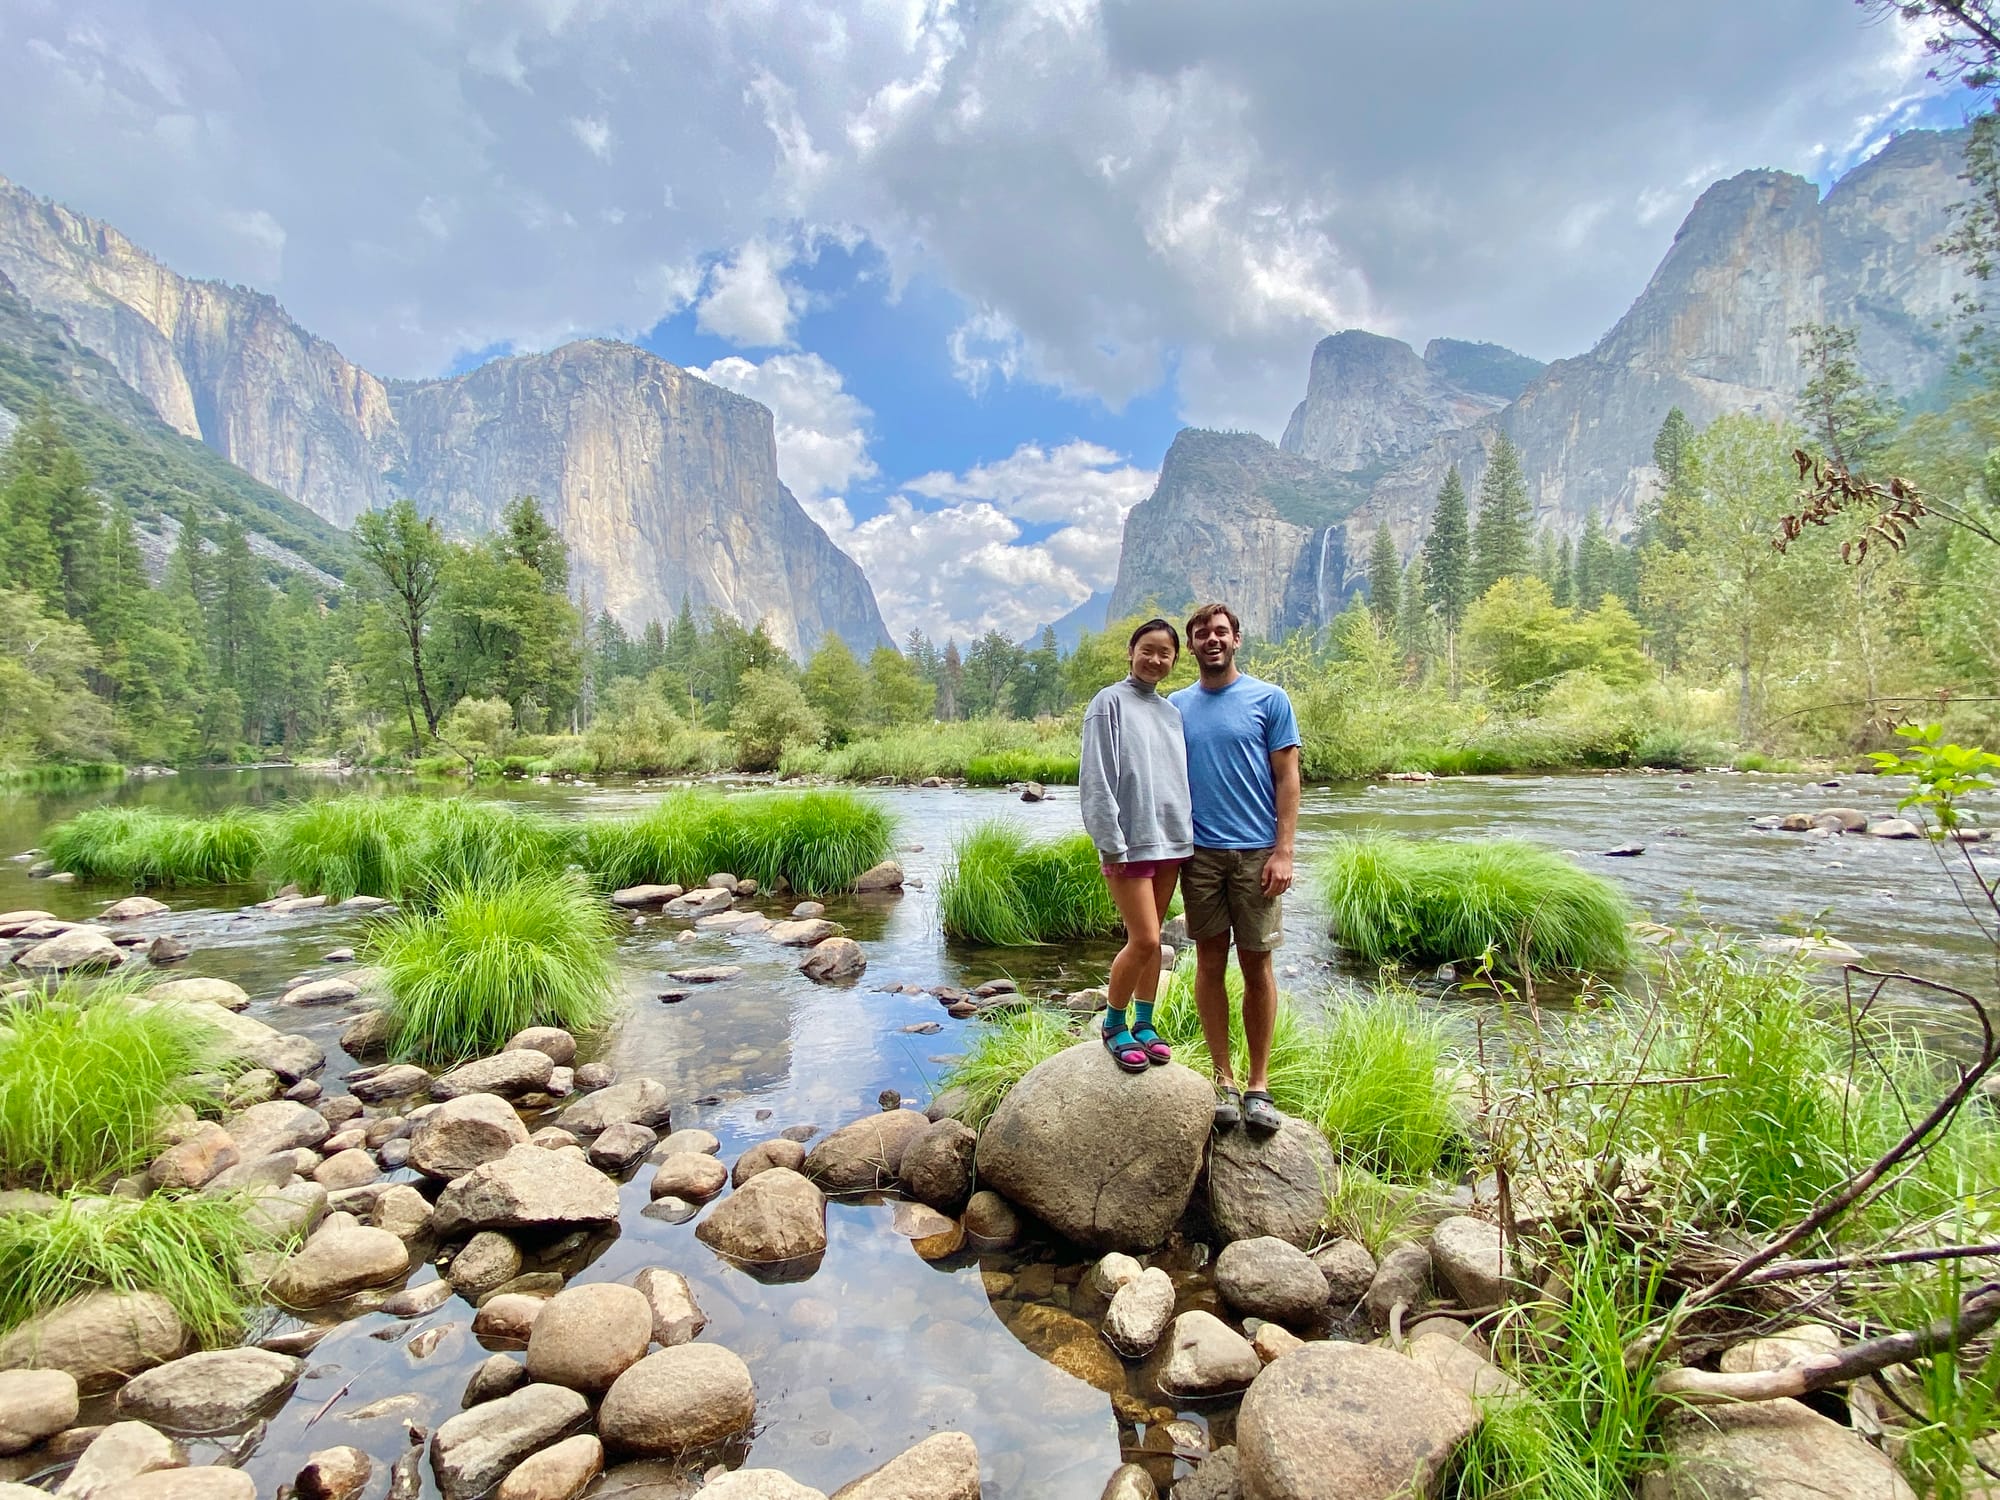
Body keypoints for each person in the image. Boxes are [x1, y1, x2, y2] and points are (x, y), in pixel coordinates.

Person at [1170, 602, 1301, 1133]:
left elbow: (1287, 779)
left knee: (1258, 967)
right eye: (1202, 634)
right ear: (1193, 646)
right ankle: (1222, 1077)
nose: (1212, 640)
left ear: (1236, 639)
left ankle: (1258, 1086)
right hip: (1197, 855)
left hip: (1256, 855)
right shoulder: (1175, 706)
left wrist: (1284, 851)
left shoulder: (1270, 700)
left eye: (1220, 632)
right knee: (1207, 964)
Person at [1079, 618, 1193, 1073]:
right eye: (1147, 649)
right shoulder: (1108, 703)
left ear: (1173, 661)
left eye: (1165, 653)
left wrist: (1187, 834)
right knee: (1145, 939)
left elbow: (1177, 777)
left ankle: (1144, 1023)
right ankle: (1113, 1023)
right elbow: (1095, 779)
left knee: (1154, 940)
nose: (1155, 659)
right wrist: (1110, 842)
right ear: (1131, 651)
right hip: (1128, 844)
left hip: (1172, 842)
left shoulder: (1171, 713)